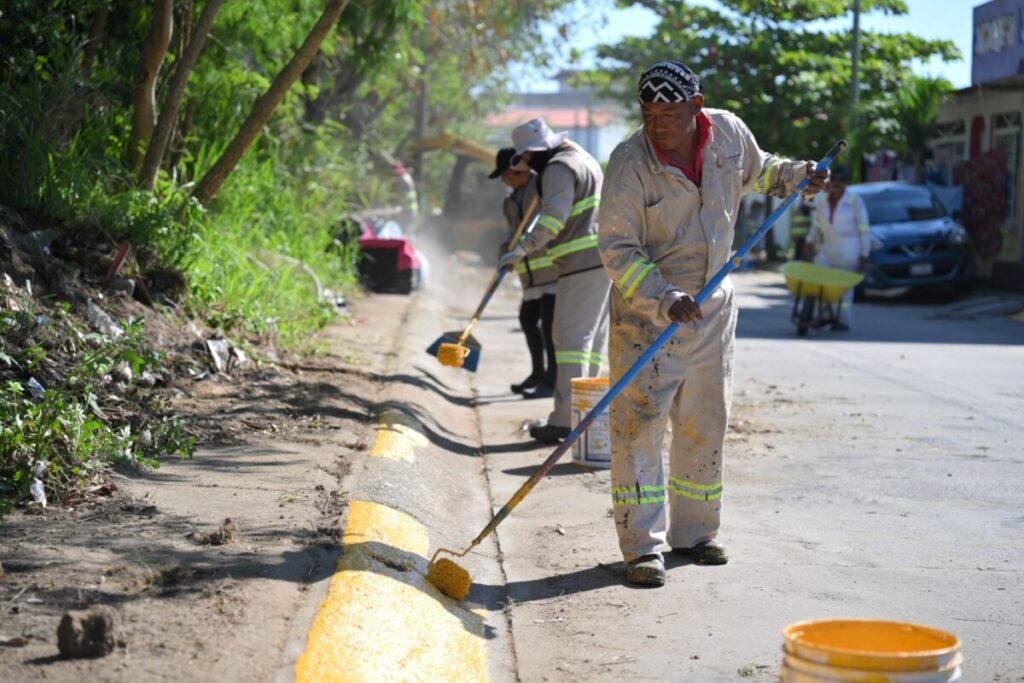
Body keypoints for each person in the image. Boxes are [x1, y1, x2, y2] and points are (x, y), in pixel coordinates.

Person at [597, 60, 827, 587]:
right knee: (639, 429)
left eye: (669, 112)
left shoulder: (727, 133)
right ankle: (641, 548)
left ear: (696, 107)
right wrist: (664, 296)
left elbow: (763, 170)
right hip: (647, 314)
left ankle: (696, 534)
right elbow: (616, 247)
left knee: (705, 420)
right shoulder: (630, 163)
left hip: (713, 307)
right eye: (649, 113)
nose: (659, 124)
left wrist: (799, 177)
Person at [498, 118, 609, 443]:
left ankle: (564, 421)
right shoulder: (584, 159)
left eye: (528, 159)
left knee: (570, 341)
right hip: (603, 262)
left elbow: (552, 220)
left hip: (581, 264)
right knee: (589, 345)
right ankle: (583, 417)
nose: (529, 166)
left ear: (534, 151)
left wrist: (521, 249)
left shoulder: (558, 168)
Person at [490, 147, 557, 398]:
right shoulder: (510, 202)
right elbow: (512, 232)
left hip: (551, 271)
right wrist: (505, 251)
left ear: (517, 169)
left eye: (504, 174)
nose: (503, 180)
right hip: (529, 275)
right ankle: (537, 373)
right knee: (528, 321)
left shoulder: (539, 188)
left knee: (550, 326)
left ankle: (551, 380)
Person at [804, 165, 870, 331]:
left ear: (846, 182)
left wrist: (864, 254)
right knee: (820, 281)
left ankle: (843, 320)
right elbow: (816, 225)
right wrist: (809, 241)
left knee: (844, 287)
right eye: (833, 180)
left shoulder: (855, 201)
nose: (836, 183)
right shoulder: (822, 201)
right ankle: (825, 315)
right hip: (828, 246)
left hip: (849, 249)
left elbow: (864, 228)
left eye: (841, 180)